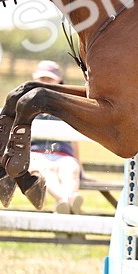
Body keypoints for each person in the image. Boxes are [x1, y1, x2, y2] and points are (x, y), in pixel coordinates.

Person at [28, 60, 84, 214]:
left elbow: (74, 139)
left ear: (59, 81)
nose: (46, 82)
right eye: (42, 78)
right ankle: (67, 201)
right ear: (34, 79)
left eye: (50, 79)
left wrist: (80, 167)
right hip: (37, 153)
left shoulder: (67, 104)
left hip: (63, 154)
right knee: (47, 172)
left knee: (71, 170)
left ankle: (67, 202)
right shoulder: (27, 102)